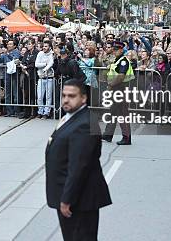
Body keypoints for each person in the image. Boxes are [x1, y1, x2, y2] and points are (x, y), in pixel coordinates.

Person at [45, 79, 112, 241]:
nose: (66, 99)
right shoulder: (72, 117)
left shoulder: (84, 124)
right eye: (64, 95)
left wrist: (67, 199)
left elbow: (79, 166)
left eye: (72, 96)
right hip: (73, 196)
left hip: (79, 200)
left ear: (83, 98)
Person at [102, 41, 134, 145]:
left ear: (121, 50)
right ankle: (108, 134)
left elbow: (121, 76)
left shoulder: (123, 61)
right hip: (117, 89)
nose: (114, 51)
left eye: (117, 50)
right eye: (114, 49)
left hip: (121, 89)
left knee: (122, 113)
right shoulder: (117, 60)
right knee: (113, 112)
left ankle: (126, 137)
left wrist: (111, 85)